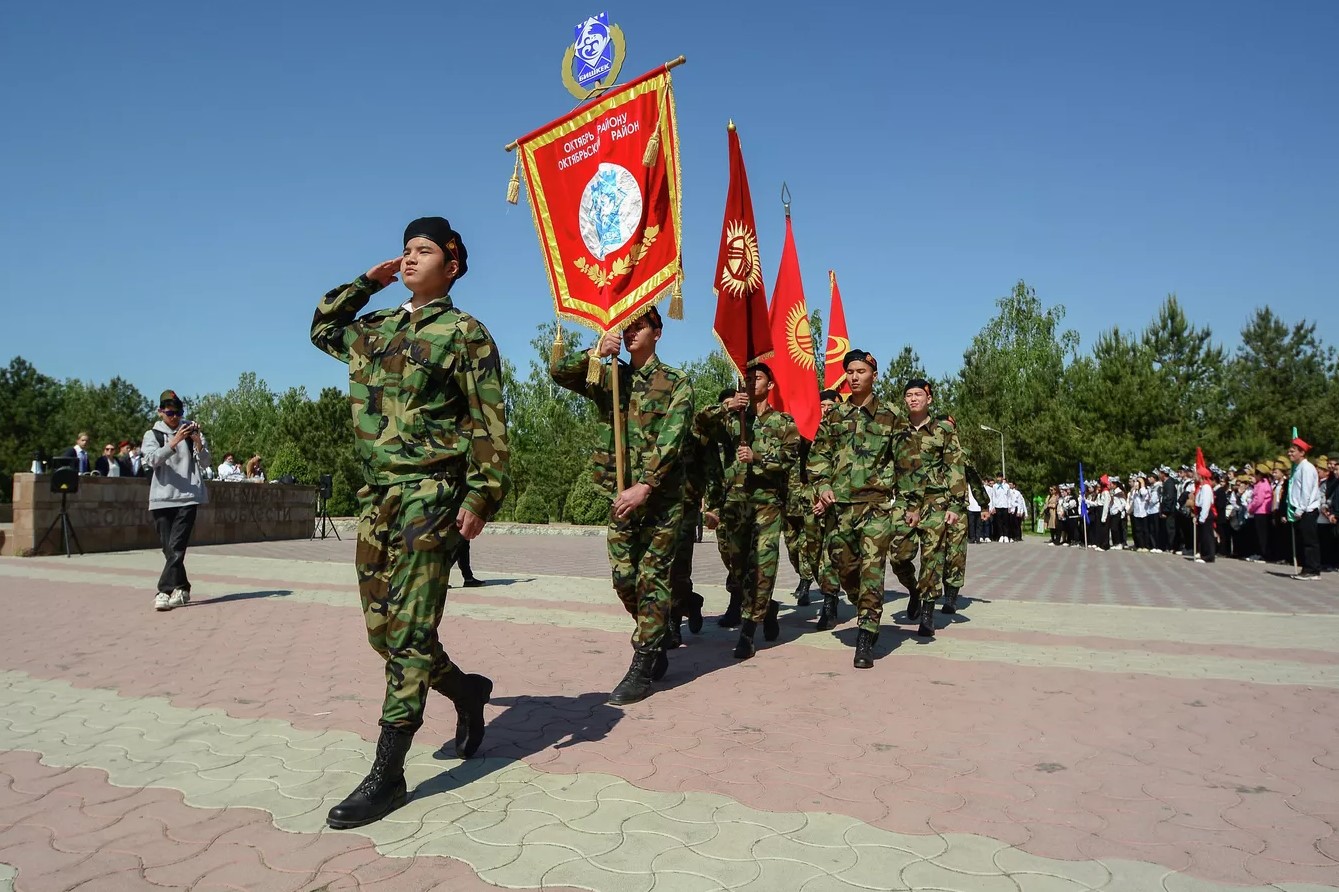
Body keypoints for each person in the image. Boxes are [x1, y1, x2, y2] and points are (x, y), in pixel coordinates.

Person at [311, 216, 510, 829]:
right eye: (405, 250)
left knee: (411, 630)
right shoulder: (374, 330)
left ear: (451, 265)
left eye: (423, 250)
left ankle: (388, 771)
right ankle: (467, 691)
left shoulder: (466, 334)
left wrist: (481, 498)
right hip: (378, 498)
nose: (409, 258)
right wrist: (365, 284)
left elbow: (490, 423)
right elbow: (322, 328)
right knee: (385, 633)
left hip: (433, 493)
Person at [552, 306, 693, 703]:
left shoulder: (677, 382)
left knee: (653, 578)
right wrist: (595, 351)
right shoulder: (610, 376)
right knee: (624, 579)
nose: (631, 332)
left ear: (658, 333)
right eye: (626, 326)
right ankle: (657, 631)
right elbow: (559, 372)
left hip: (660, 500)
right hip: (620, 499)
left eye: (639, 326)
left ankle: (644, 661)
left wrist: (646, 485)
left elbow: (673, 437)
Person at [695, 364, 798, 659]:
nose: (752, 383)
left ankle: (748, 632)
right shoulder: (733, 421)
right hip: (735, 506)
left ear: (771, 384)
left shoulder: (783, 422)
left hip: (766, 505)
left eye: (759, 378)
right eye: (748, 379)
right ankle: (767, 609)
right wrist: (726, 405)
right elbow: (699, 423)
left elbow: (790, 457)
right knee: (738, 570)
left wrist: (758, 457)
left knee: (762, 568)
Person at [810, 350, 899, 668]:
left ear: (874, 375)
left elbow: (906, 462)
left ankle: (866, 636)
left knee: (872, 571)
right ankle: (863, 604)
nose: (854, 376)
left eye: (860, 371)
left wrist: (905, 506)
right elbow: (818, 455)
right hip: (841, 509)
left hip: (876, 508)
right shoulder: (834, 415)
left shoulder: (891, 415)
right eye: (849, 371)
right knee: (843, 566)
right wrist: (822, 485)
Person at [888, 379, 967, 637]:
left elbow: (954, 466)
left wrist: (956, 503)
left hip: (936, 501)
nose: (913, 399)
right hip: (904, 501)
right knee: (897, 555)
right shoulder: (897, 429)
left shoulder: (943, 430)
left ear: (929, 399)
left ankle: (927, 613)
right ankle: (913, 589)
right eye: (909, 395)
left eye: (918, 394)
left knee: (932, 557)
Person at [141, 390, 211, 611]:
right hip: (161, 497)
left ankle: (163, 591)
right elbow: (151, 460)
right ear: (160, 411)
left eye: (178, 413)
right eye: (170, 413)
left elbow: (207, 462)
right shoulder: (152, 434)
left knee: (177, 546)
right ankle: (183, 586)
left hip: (188, 496)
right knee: (169, 549)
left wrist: (197, 441)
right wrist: (175, 441)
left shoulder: (191, 430)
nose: (175, 417)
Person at [1287, 437, 1322, 580]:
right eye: (1289, 450)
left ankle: (1313, 570)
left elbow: (1306, 491)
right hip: (1300, 509)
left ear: (1302, 453)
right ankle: (1307, 567)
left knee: (1310, 541)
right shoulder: (1298, 468)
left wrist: (1300, 509)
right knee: (1304, 541)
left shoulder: (1307, 468)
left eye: (1292, 451)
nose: (1289, 453)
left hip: (1307, 510)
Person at [1193, 468, 1215, 563]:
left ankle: (1209, 556)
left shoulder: (1206, 488)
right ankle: (1204, 554)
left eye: (1196, 474)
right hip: (1202, 512)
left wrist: (1202, 517)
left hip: (1205, 513)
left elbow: (1206, 503)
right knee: (1203, 535)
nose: (1195, 476)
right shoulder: (1202, 487)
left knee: (1207, 535)